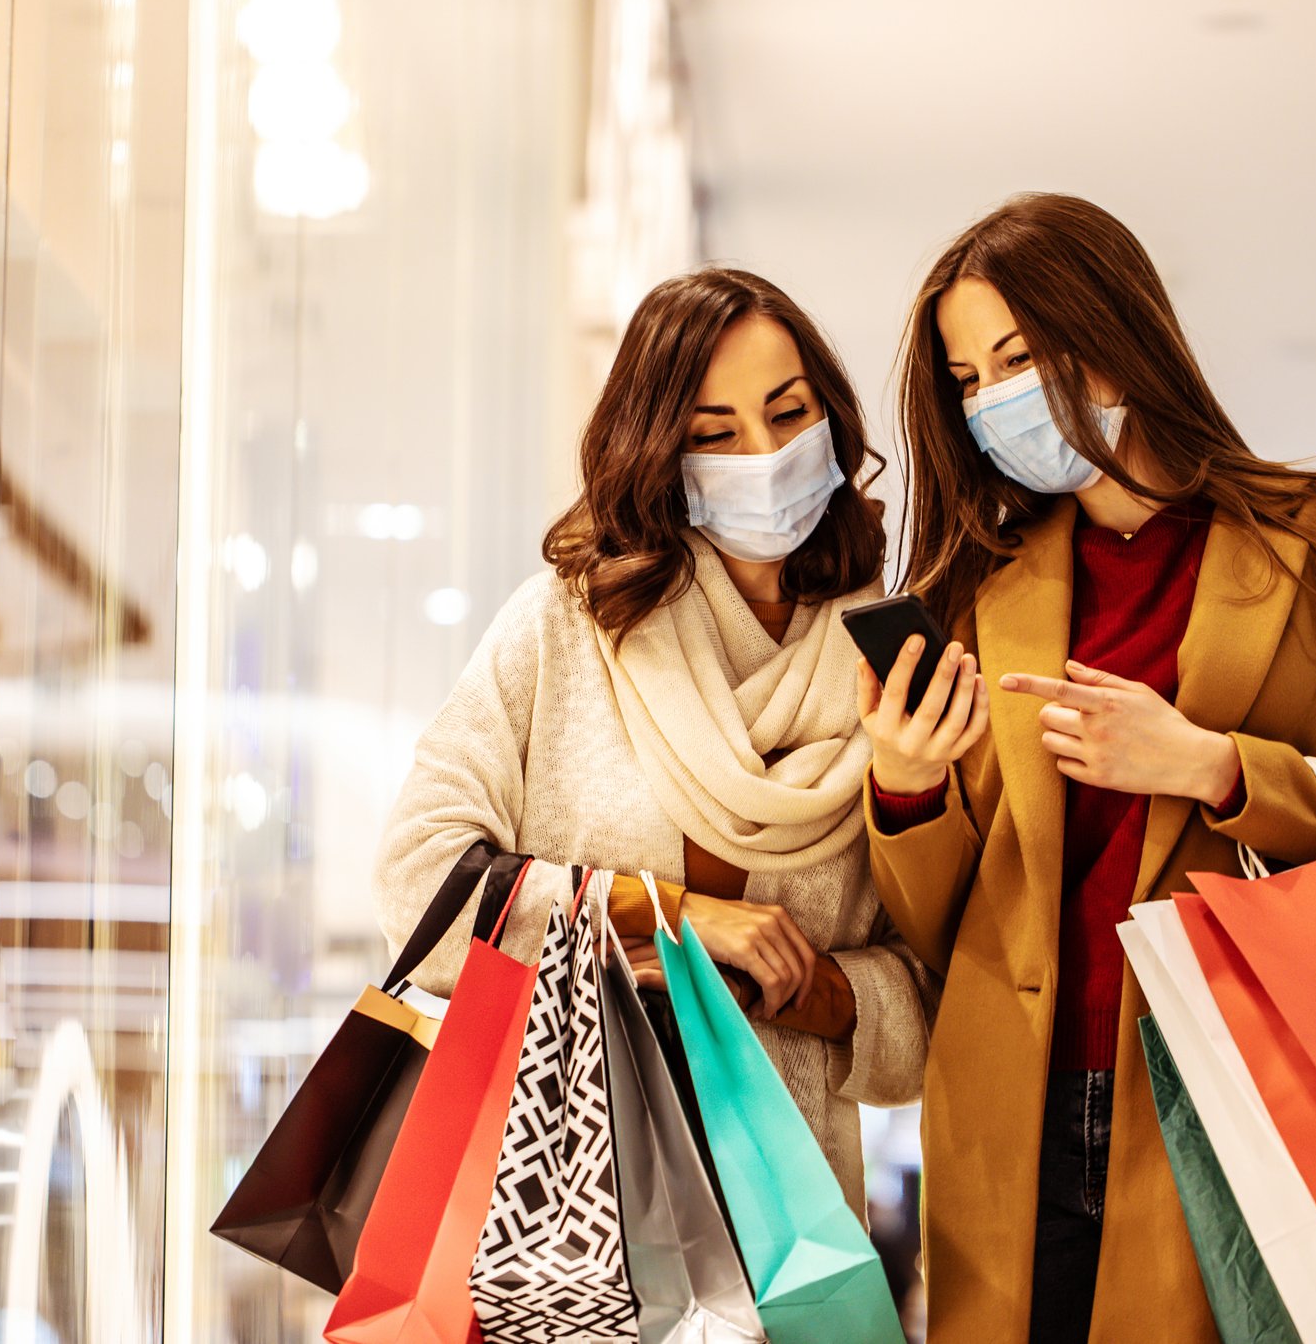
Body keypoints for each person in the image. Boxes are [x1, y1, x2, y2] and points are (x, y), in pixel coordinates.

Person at [859, 194, 1316, 1342]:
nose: (993, 397)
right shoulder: (979, 586)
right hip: (1014, 1114)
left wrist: (1215, 768)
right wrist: (904, 789)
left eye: (1017, 356)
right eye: (966, 377)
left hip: (1241, 1096)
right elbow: (945, 926)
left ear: (1111, 330)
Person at [373, 267, 935, 1204]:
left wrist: (806, 991)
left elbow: (935, 998)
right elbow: (415, 887)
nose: (764, 454)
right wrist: (672, 915)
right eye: (715, 436)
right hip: (555, 1208)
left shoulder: (888, 665)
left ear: (831, 418)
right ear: (661, 457)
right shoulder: (569, 628)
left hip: (785, 1221)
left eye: (789, 414)